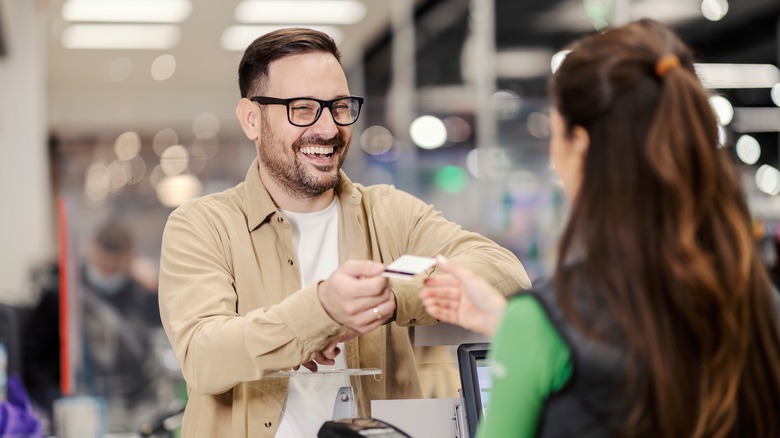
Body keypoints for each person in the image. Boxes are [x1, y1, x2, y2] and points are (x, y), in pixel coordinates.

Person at [157, 27, 530, 438]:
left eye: (338, 106)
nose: (329, 128)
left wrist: (392, 296)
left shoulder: (388, 212)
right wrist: (320, 312)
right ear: (251, 119)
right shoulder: (203, 225)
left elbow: (505, 273)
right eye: (302, 108)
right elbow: (203, 355)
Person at [420, 18, 780, 438]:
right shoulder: (758, 304)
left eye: (554, 134)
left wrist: (527, 333)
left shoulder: (543, 324)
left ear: (582, 147)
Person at [23, 219, 162, 431]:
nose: (107, 272)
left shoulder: (140, 295)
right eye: (102, 264)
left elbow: (158, 340)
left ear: (130, 258)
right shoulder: (62, 294)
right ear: (91, 249)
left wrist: (155, 291)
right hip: (74, 408)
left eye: (114, 267)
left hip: (132, 410)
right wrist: (51, 403)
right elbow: (34, 357)